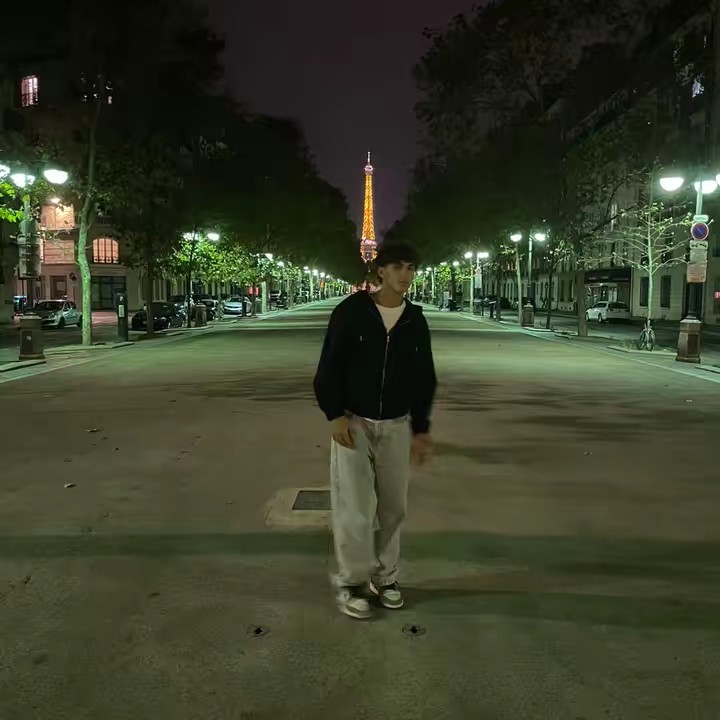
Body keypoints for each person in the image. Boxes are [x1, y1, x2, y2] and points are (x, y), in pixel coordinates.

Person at [313, 241, 437, 619]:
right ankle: (351, 582)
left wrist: (421, 428)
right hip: (354, 422)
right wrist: (334, 414)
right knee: (354, 507)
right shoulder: (351, 312)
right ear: (380, 271)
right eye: (398, 267)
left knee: (394, 508)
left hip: (397, 425)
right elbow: (329, 365)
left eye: (411, 267)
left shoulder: (414, 319)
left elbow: (424, 377)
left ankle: (386, 578)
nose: (405, 275)